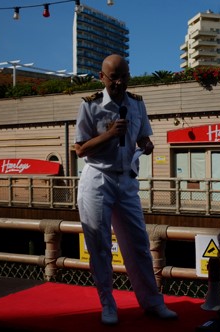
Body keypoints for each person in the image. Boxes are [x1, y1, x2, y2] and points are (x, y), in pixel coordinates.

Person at [74, 54, 177, 325]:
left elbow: (142, 135)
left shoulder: (137, 104)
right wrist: (108, 134)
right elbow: (80, 149)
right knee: (100, 246)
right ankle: (108, 305)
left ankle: (153, 302)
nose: (119, 83)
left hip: (127, 179)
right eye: (113, 78)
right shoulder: (90, 106)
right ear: (101, 77)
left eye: (124, 77)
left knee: (139, 244)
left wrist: (146, 144)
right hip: (97, 178)